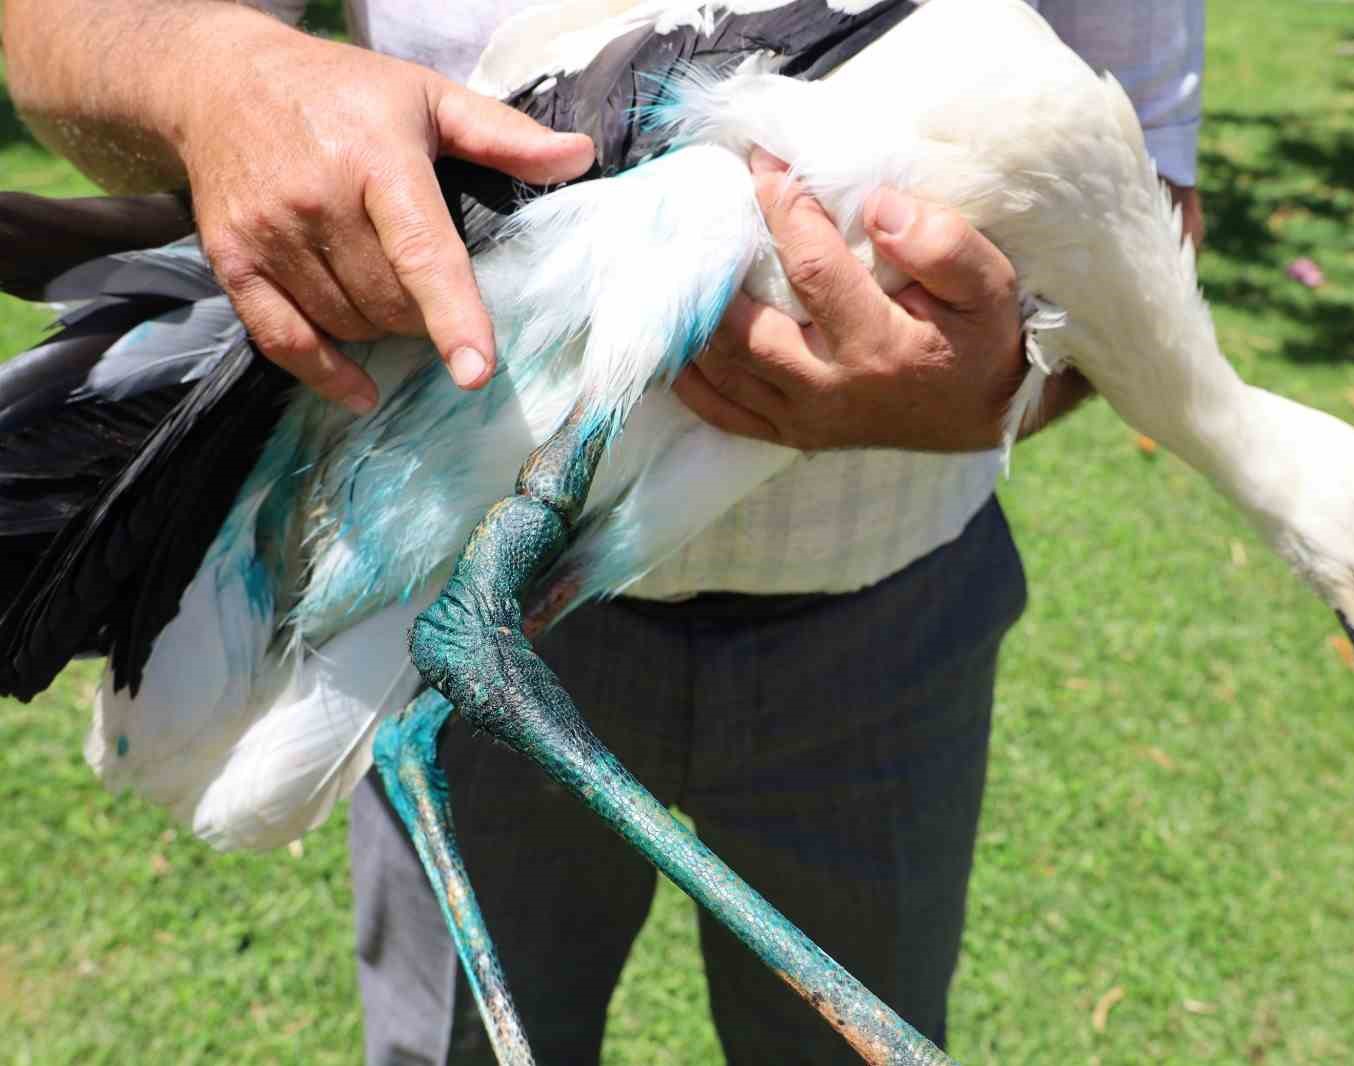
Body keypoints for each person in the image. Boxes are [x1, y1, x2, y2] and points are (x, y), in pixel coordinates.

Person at [3, 0, 1204, 1061]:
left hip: (888, 635)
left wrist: (994, 394)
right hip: (431, 568)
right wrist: (216, 75)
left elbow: (1150, 206)